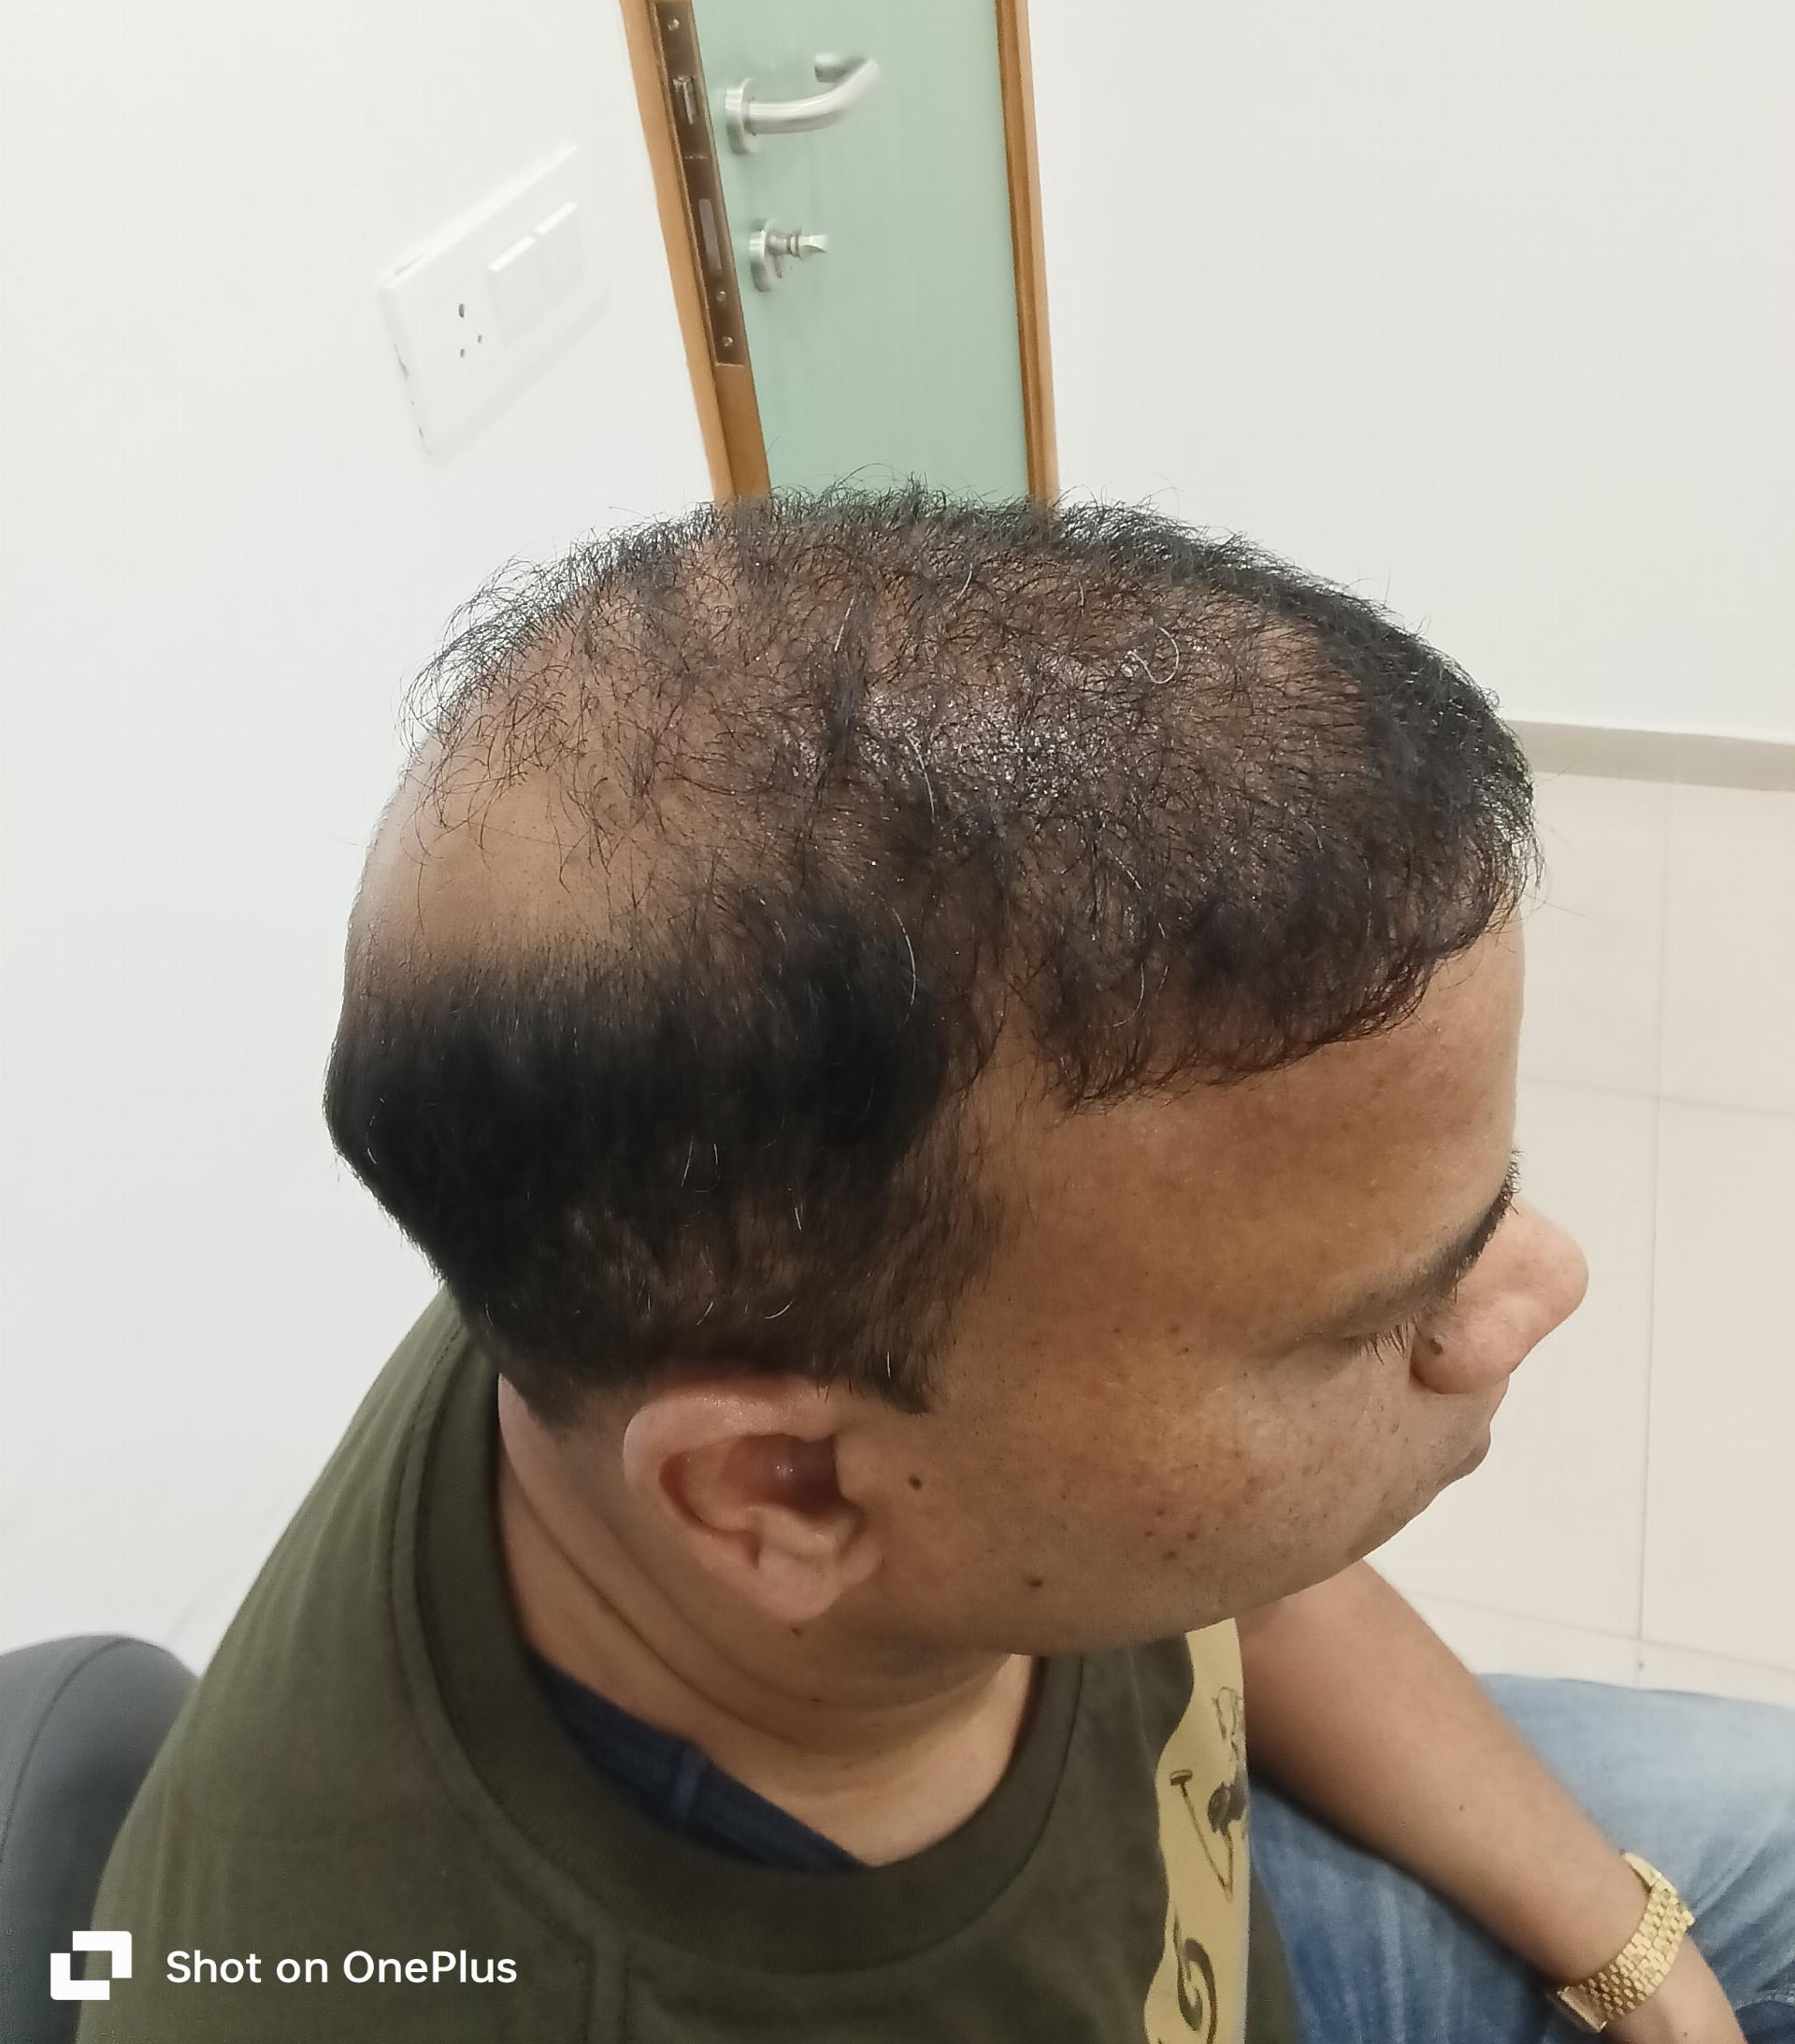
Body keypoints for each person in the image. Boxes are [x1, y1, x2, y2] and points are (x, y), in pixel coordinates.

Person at [80, 488, 1794, 2042]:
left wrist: (1632, 1960)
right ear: (787, 1492)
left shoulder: (714, 1241)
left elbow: (1244, 1587)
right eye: (1377, 1320)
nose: (1539, 1286)